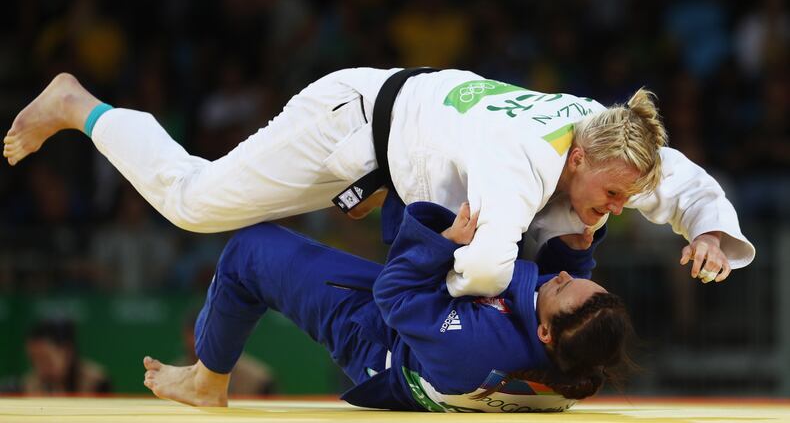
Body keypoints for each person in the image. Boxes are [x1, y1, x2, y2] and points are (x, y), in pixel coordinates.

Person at [3, 69, 754, 298]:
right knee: (195, 205)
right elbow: (490, 265)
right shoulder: (519, 161)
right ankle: (79, 105)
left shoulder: (610, 136)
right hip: (352, 122)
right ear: (577, 160)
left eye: (628, 198)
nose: (620, 209)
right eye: (614, 195)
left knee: (551, 243)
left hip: (406, 145)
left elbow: (684, 185)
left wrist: (711, 228)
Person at [142, 202, 633, 412]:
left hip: (379, 336)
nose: (566, 277)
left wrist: (443, 243)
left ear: (545, 335)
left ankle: (207, 380)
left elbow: (396, 296)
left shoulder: (477, 350)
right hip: (431, 330)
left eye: (565, 286)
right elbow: (564, 292)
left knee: (250, 251)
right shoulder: (576, 358)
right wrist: (576, 247)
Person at [23, 319, 112, 394]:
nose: (39, 367)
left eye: (45, 359)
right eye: (33, 359)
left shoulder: (97, 383)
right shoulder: (29, 385)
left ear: (67, 352)